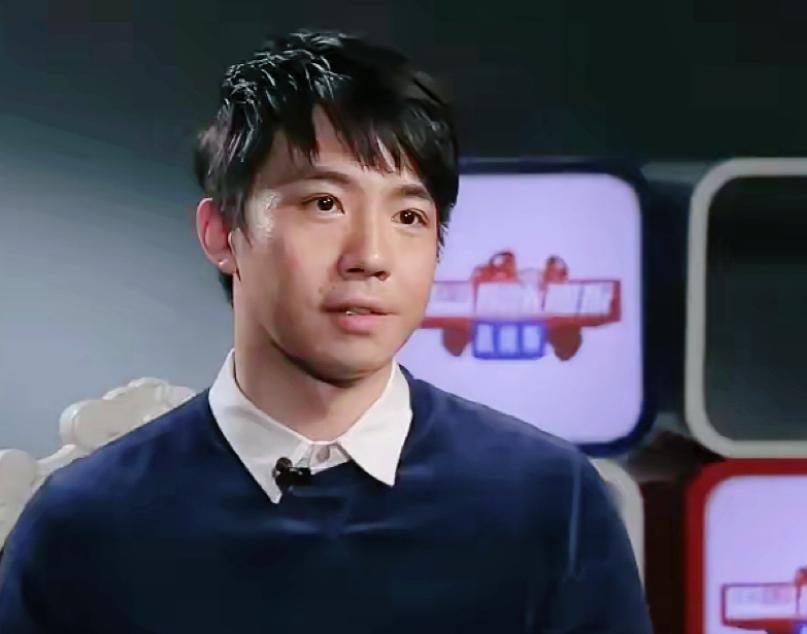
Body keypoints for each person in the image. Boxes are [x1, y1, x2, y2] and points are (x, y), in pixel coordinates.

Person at [0, 30, 652, 633]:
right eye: (324, 203)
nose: (371, 255)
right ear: (222, 233)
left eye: (408, 216)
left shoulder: (550, 503)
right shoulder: (86, 523)